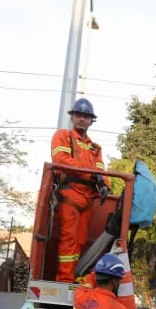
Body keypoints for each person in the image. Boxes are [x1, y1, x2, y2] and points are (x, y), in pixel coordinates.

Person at [51, 97, 107, 282]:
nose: (82, 119)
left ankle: (74, 276)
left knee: (81, 241)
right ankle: (65, 279)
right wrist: (91, 174)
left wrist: (105, 184)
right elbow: (60, 159)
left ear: (91, 120)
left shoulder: (95, 148)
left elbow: (101, 170)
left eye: (86, 116)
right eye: (78, 115)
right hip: (70, 195)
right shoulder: (63, 136)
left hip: (88, 199)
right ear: (72, 117)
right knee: (69, 240)